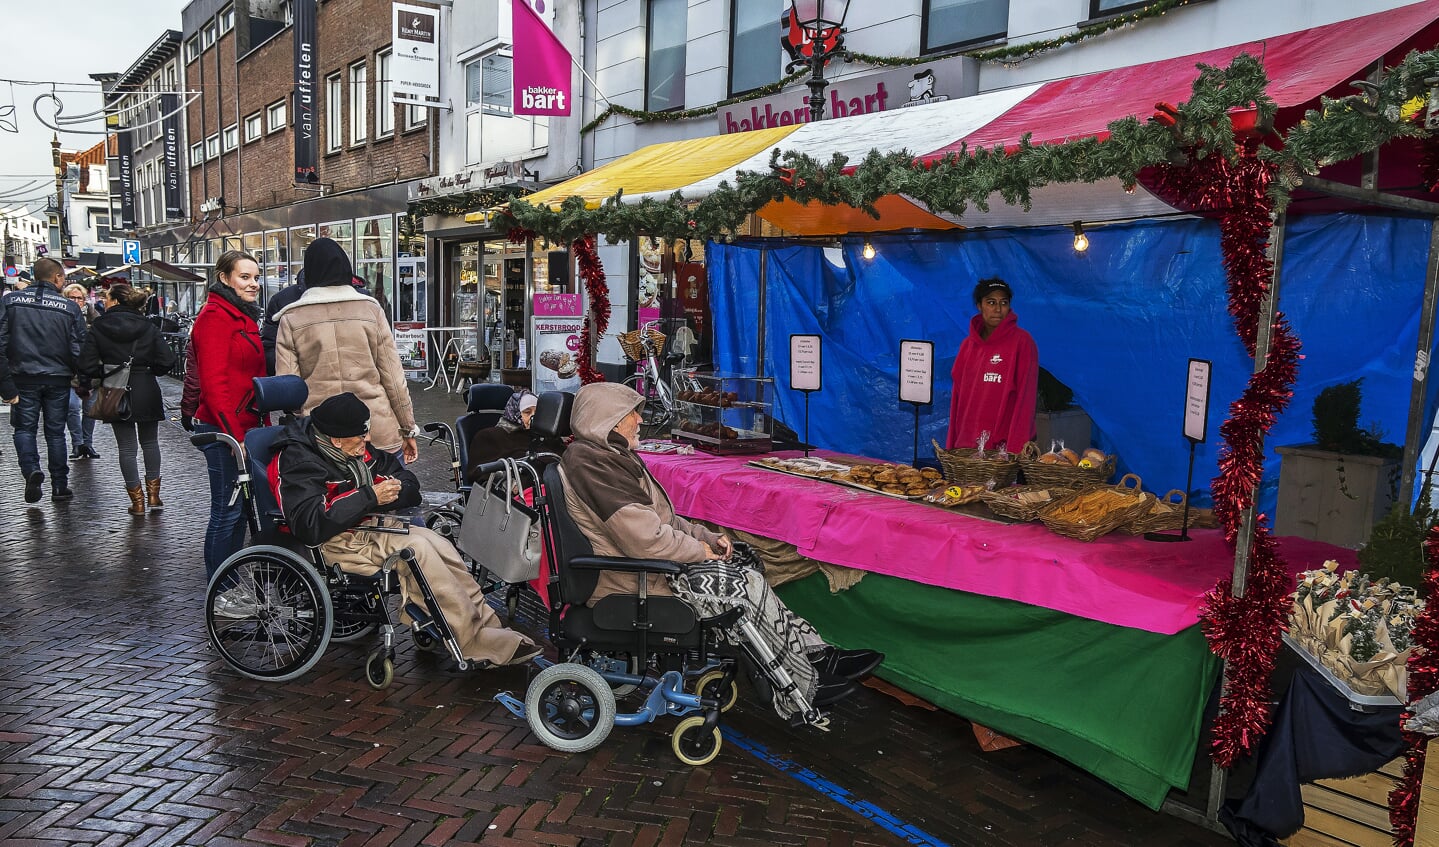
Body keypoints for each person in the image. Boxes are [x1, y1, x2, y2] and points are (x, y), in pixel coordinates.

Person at [558, 382, 883, 718]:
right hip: (631, 579)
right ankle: (799, 688)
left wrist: (706, 536)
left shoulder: (607, 457)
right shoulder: (595, 465)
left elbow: (661, 521)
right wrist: (699, 549)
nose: (640, 420)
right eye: (631, 414)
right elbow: (645, 540)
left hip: (642, 567)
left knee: (748, 569)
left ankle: (815, 655)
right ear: (606, 420)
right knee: (745, 586)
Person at [271, 392, 541, 667]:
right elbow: (310, 524)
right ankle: (471, 641)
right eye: (360, 434)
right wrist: (371, 496)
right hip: (332, 541)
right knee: (418, 551)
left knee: (438, 542)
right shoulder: (298, 461)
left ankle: (489, 627)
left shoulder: (353, 449)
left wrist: (386, 493)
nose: (366, 439)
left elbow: (408, 482)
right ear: (336, 439)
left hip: (365, 527)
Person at [275, 238, 419, 464]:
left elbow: (288, 389)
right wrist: (408, 428)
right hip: (376, 430)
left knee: (336, 498)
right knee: (392, 494)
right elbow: (393, 378)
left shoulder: (291, 318)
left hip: (324, 436)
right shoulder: (371, 310)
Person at [190, 250, 267, 581]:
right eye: (245, 277)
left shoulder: (241, 315)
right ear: (224, 278)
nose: (254, 284)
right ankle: (220, 589)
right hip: (225, 430)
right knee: (227, 509)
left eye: (256, 277)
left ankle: (229, 585)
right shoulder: (216, 318)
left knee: (238, 511)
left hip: (244, 427)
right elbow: (214, 384)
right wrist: (235, 436)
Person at [78, 283, 178, 516]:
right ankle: (154, 496)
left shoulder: (100, 326)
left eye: (107, 297)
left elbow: (86, 364)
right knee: (150, 443)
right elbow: (167, 359)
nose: (104, 300)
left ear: (114, 301)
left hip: (115, 388)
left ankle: (138, 502)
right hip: (145, 385)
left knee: (127, 447)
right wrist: (150, 370)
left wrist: (105, 373)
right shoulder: (148, 325)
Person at [0, 257, 87, 503]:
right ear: (57, 278)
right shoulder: (68, 307)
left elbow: (1, 343)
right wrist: (83, 380)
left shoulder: (10, 301)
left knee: (24, 429)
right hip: (58, 378)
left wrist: (5, 384)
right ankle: (60, 485)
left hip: (22, 377)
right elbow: (79, 346)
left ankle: (31, 472)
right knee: (56, 433)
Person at [945, 277, 1039, 454]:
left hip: (1002, 453)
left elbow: (1026, 402)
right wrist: (952, 448)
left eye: (1003, 303)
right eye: (991, 302)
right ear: (979, 306)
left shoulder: (1022, 342)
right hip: (966, 450)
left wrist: (1014, 451)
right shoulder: (967, 346)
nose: (998, 309)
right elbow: (957, 400)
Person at [464, 389, 566, 478]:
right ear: (515, 413)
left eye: (537, 412)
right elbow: (479, 472)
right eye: (527, 412)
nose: (533, 417)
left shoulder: (546, 437)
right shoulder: (489, 436)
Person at [62, 283, 101, 460]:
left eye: (80, 298)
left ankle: (88, 443)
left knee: (90, 410)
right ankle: (77, 444)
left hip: (91, 372)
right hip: (69, 373)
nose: (77, 301)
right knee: (72, 407)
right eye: (73, 297)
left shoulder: (95, 319)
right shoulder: (61, 316)